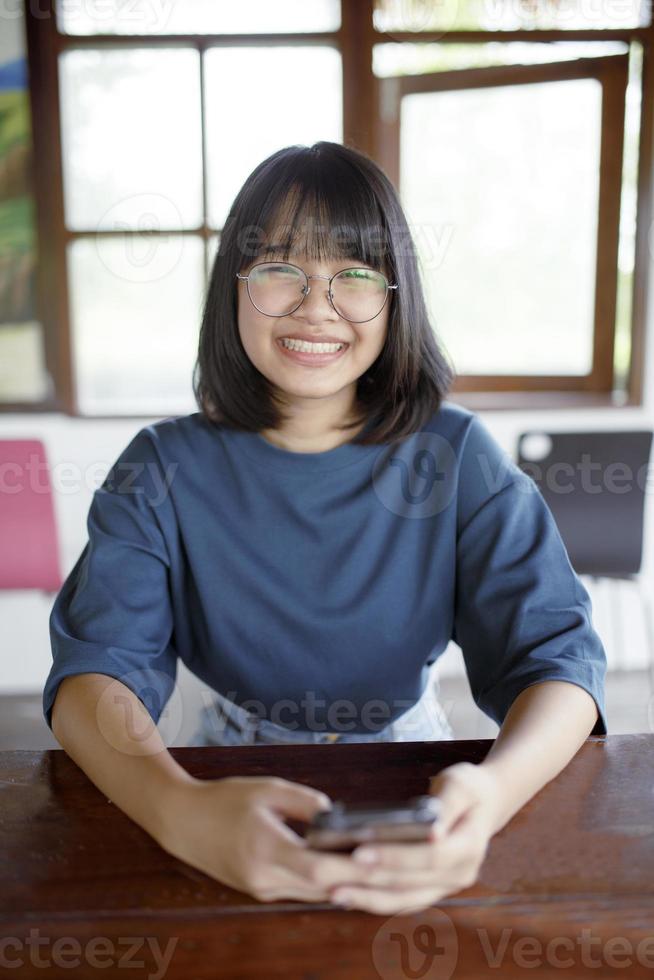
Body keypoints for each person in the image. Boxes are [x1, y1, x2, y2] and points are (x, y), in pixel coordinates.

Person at [43, 141, 607, 916]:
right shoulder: (161, 466)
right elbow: (93, 673)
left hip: (421, 767)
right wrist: (179, 812)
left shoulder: (455, 455)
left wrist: (490, 792)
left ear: (394, 296)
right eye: (281, 268)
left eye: (354, 273)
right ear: (234, 289)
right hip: (226, 771)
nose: (317, 305)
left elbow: (560, 661)